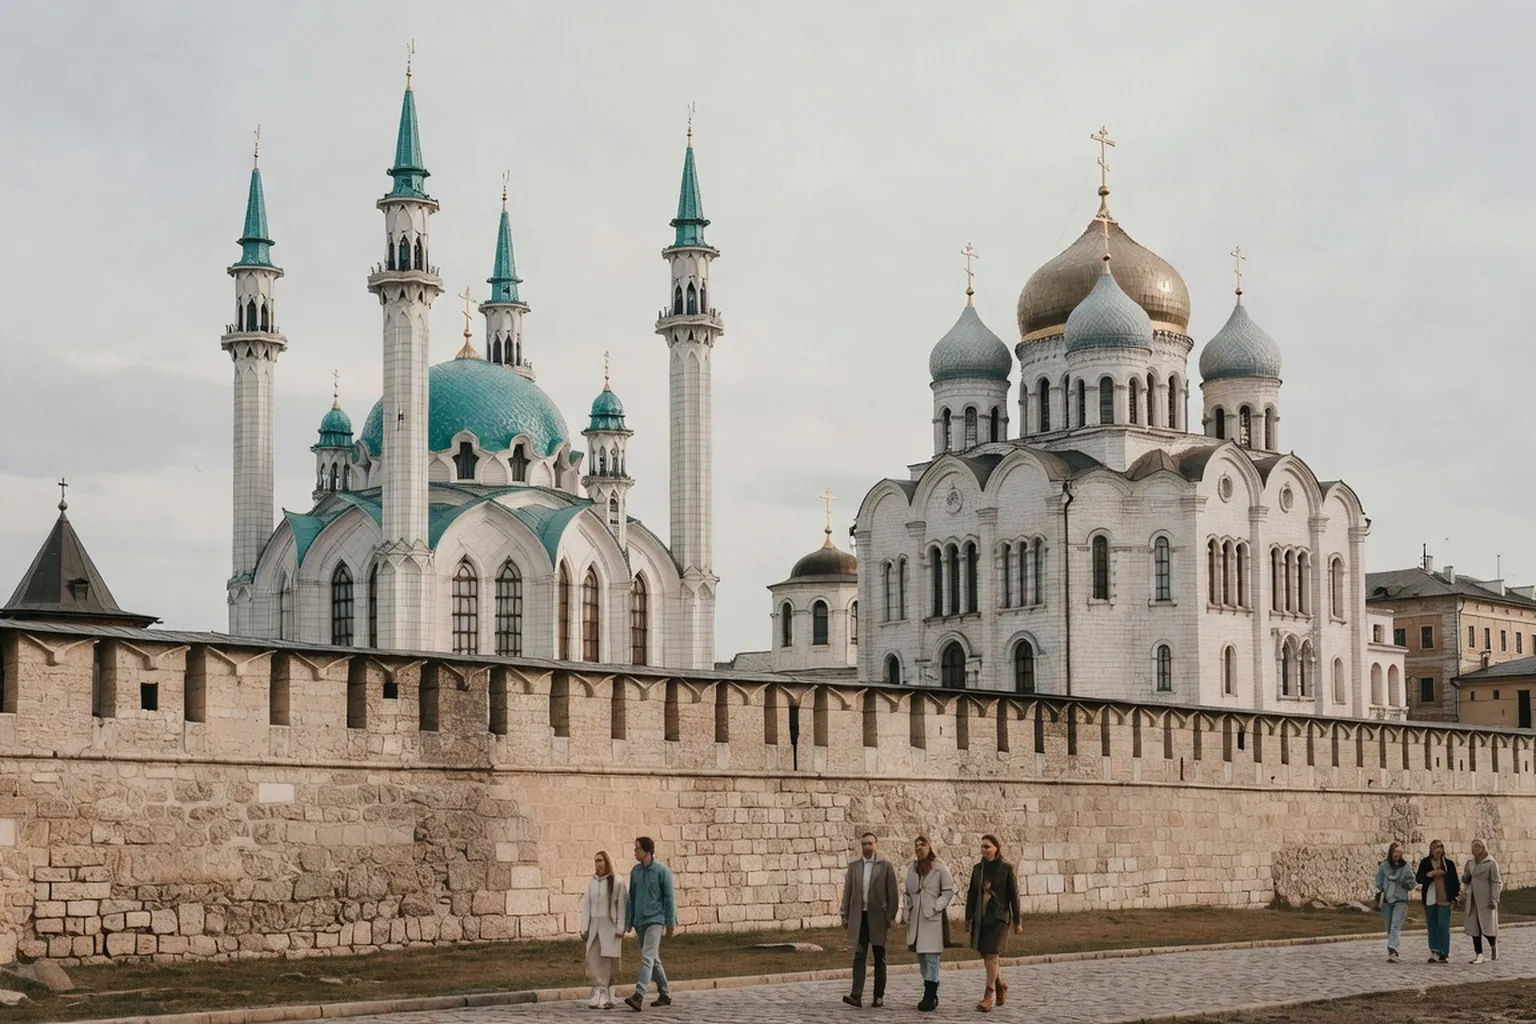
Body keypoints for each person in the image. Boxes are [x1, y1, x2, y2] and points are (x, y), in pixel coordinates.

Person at [840, 832, 899, 1008]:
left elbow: (893, 893)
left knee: (879, 956)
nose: (867, 847)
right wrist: (845, 913)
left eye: (870, 843)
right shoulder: (854, 867)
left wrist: (890, 916)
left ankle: (878, 995)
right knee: (859, 955)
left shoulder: (885, 866)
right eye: (864, 844)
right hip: (860, 917)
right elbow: (847, 892)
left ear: (876, 844)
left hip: (878, 917)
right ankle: (856, 994)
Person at [964, 834, 1021, 1013]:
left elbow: (1014, 896)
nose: (984, 850)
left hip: (999, 918)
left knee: (991, 955)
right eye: (982, 847)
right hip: (981, 918)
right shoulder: (977, 870)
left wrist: (1018, 921)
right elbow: (972, 894)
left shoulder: (1006, 869)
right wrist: (967, 918)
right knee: (986, 955)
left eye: (987, 846)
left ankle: (989, 995)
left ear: (996, 848)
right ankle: (1000, 984)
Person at [623, 837, 677, 1011]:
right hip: (640, 922)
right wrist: (629, 922)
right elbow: (632, 898)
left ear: (647, 851)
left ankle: (639, 995)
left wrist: (670, 924)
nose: (634, 851)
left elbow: (669, 899)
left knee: (647, 958)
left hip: (656, 920)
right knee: (653, 959)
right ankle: (665, 993)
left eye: (637, 849)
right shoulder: (635, 872)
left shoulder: (663, 871)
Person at [904, 835, 956, 1013]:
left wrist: (936, 906)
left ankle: (929, 995)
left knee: (932, 958)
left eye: (922, 845)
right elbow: (908, 892)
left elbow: (948, 891)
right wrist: (908, 909)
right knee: (922, 958)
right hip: (917, 919)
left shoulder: (939, 867)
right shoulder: (912, 868)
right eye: (916, 846)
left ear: (929, 846)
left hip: (933, 919)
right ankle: (931, 993)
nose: (919, 849)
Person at [580, 850, 628, 1008]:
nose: (598, 864)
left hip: (610, 925)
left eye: (600, 860)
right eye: (595, 861)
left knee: (608, 960)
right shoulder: (592, 883)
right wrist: (583, 927)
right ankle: (597, 990)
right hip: (594, 925)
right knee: (593, 958)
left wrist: (621, 927)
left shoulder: (617, 882)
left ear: (607, 862)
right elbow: (587, 905)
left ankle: (608, 994)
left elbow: (622, 905)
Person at [1415, 840, 1459, 964]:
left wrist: (1454, 897)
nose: (1437, 850)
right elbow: (1419, 878)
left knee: (1443, 925)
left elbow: (1455, 881)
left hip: (1444, 898)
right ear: (1431, 849)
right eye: (1435, 848)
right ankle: (1434, 950)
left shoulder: (1448, 864)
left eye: (1440, 847)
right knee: (1432, 924)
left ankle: (1444, 952)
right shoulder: (1425, 862)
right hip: (1430, 897)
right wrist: (1430, 875)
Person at [1373, 841, 1416, 963]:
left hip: (1400, 899)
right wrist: (1378, 896)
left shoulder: (1405, 867)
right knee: (1389, 925)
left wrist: (1406, 883)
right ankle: (1392, 947)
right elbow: (1378, 883)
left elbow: (1412, 882)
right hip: (1387, 899)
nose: (1396, 854)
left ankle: (1393, 949)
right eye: (1394, 851)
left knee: (1396, 925)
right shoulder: (1384, 866)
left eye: (1398, 852)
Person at [1462, 839, 1502, 964]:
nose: (1475, 850)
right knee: (1475, 928)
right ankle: (1479, 954)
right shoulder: (1470, 863)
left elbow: (1496, 882)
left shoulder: (1491, 863)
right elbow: (1466, 879)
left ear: (1483, 848)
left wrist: (1494, 898)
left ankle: (1493, 944)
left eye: (1478, 847)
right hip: (1473, 898)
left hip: (1485, 899)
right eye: (1473, 847)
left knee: (1487, 927)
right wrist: (1465, 877)